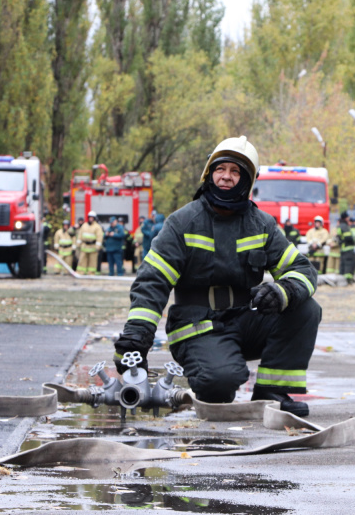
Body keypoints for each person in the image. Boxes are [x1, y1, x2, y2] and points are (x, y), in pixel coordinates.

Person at [114, 136, 320, 416]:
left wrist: (282, 292)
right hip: (197, 324)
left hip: (246, 318)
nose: (226, 177)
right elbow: (153, 281)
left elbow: (303, 270)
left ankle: (271, 392)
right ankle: (215, 369)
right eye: (220, 169)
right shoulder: (183, 222)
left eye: (236, 171)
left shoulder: (261, 224)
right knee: (219, 386)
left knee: (305, 307)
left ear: (248, 180)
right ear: (209, 173)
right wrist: (136, 338)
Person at [336, 215, 355, 284]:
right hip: (348, 249)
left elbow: (339, 237)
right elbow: (349, 238)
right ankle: (348, 281)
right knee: (348, 265)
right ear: (345, 219)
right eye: (348, 218)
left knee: (343, 265)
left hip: (343, 249)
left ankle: (342, 280)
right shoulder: (345, 227)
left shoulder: (340, 226)